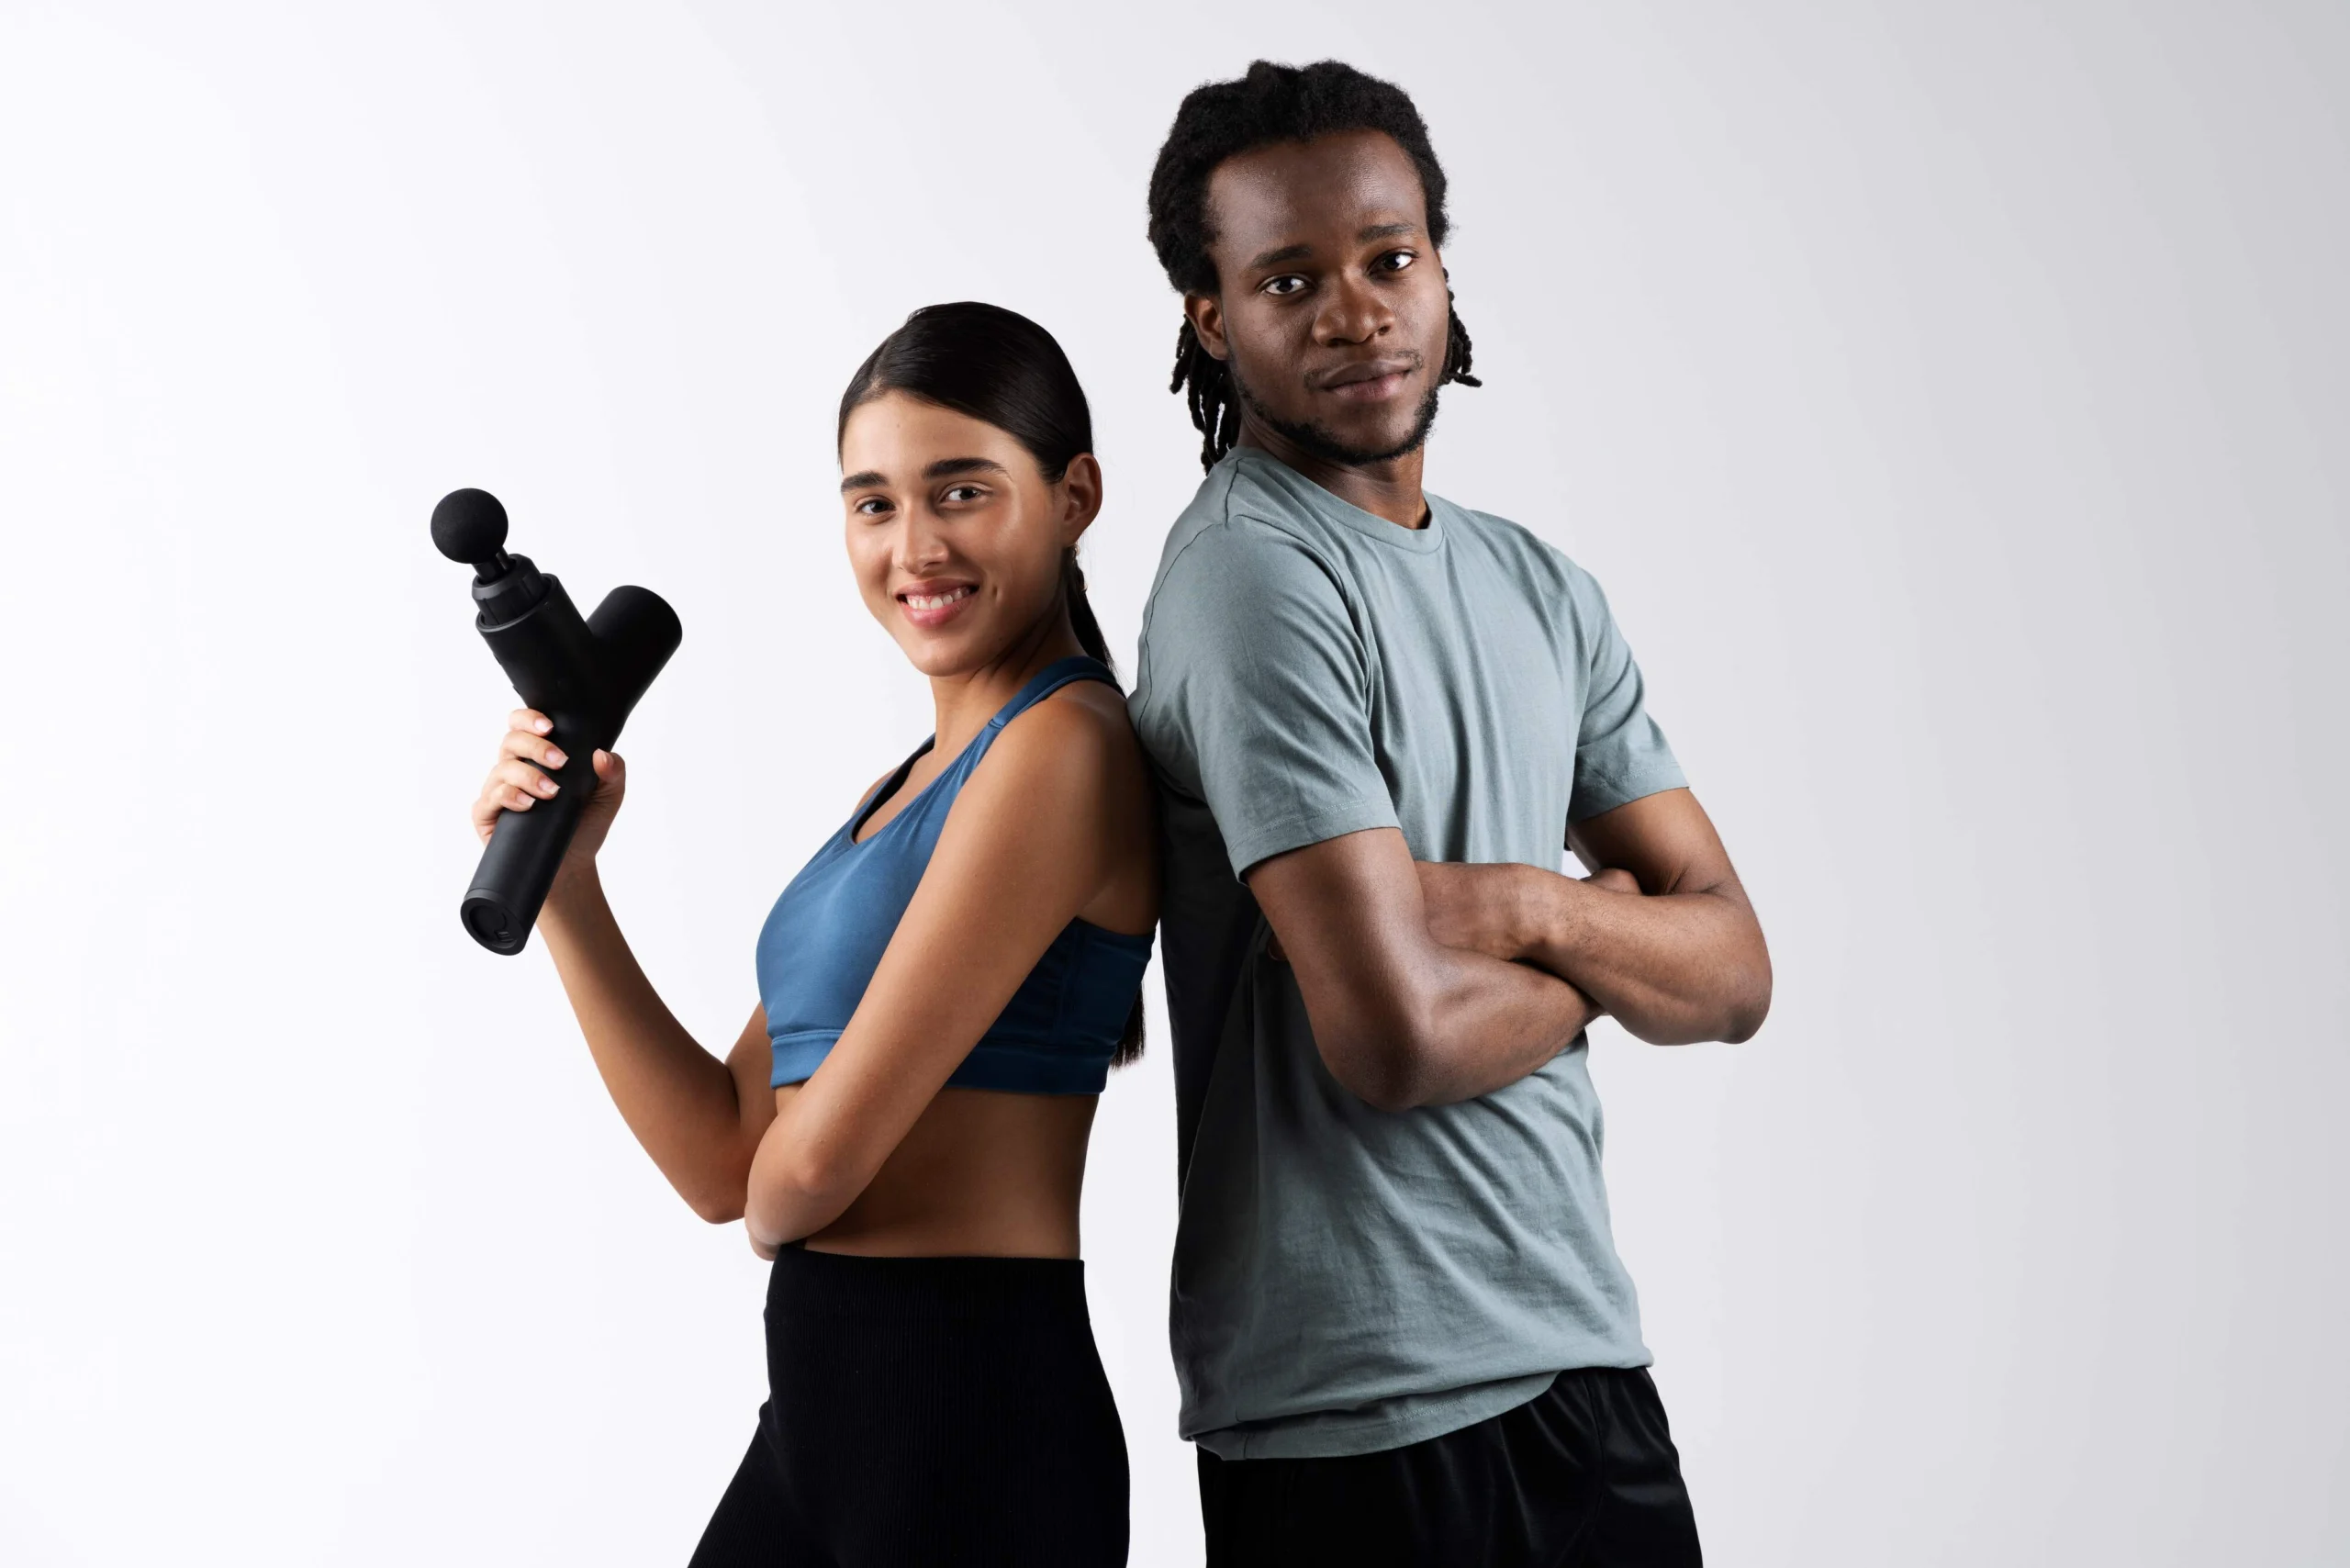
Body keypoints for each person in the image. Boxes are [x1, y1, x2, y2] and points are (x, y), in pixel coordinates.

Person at [1130, 62, 1774, 1565]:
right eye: (1290, 278)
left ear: (1440, 268)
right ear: (1212, 320)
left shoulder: (1540, 587)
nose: (1357, 310)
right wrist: (1624, 955)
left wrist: (1535, 909)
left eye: (1390, 257)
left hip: (1583, 1362)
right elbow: (1396, 1040)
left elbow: (1739, 975)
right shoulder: (1250, 581)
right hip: (1356, 1413)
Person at [468, 302, 1154, 1566]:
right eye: (874, 503)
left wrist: (791, 1197)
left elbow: (801, 1175)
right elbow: (722, 1162)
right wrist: (568, 888)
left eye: (962, 491)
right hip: (830, 1412)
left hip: (972, 1415)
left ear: (1074, 496)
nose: (915, 546)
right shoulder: (899, 792)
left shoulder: (1063, 747)